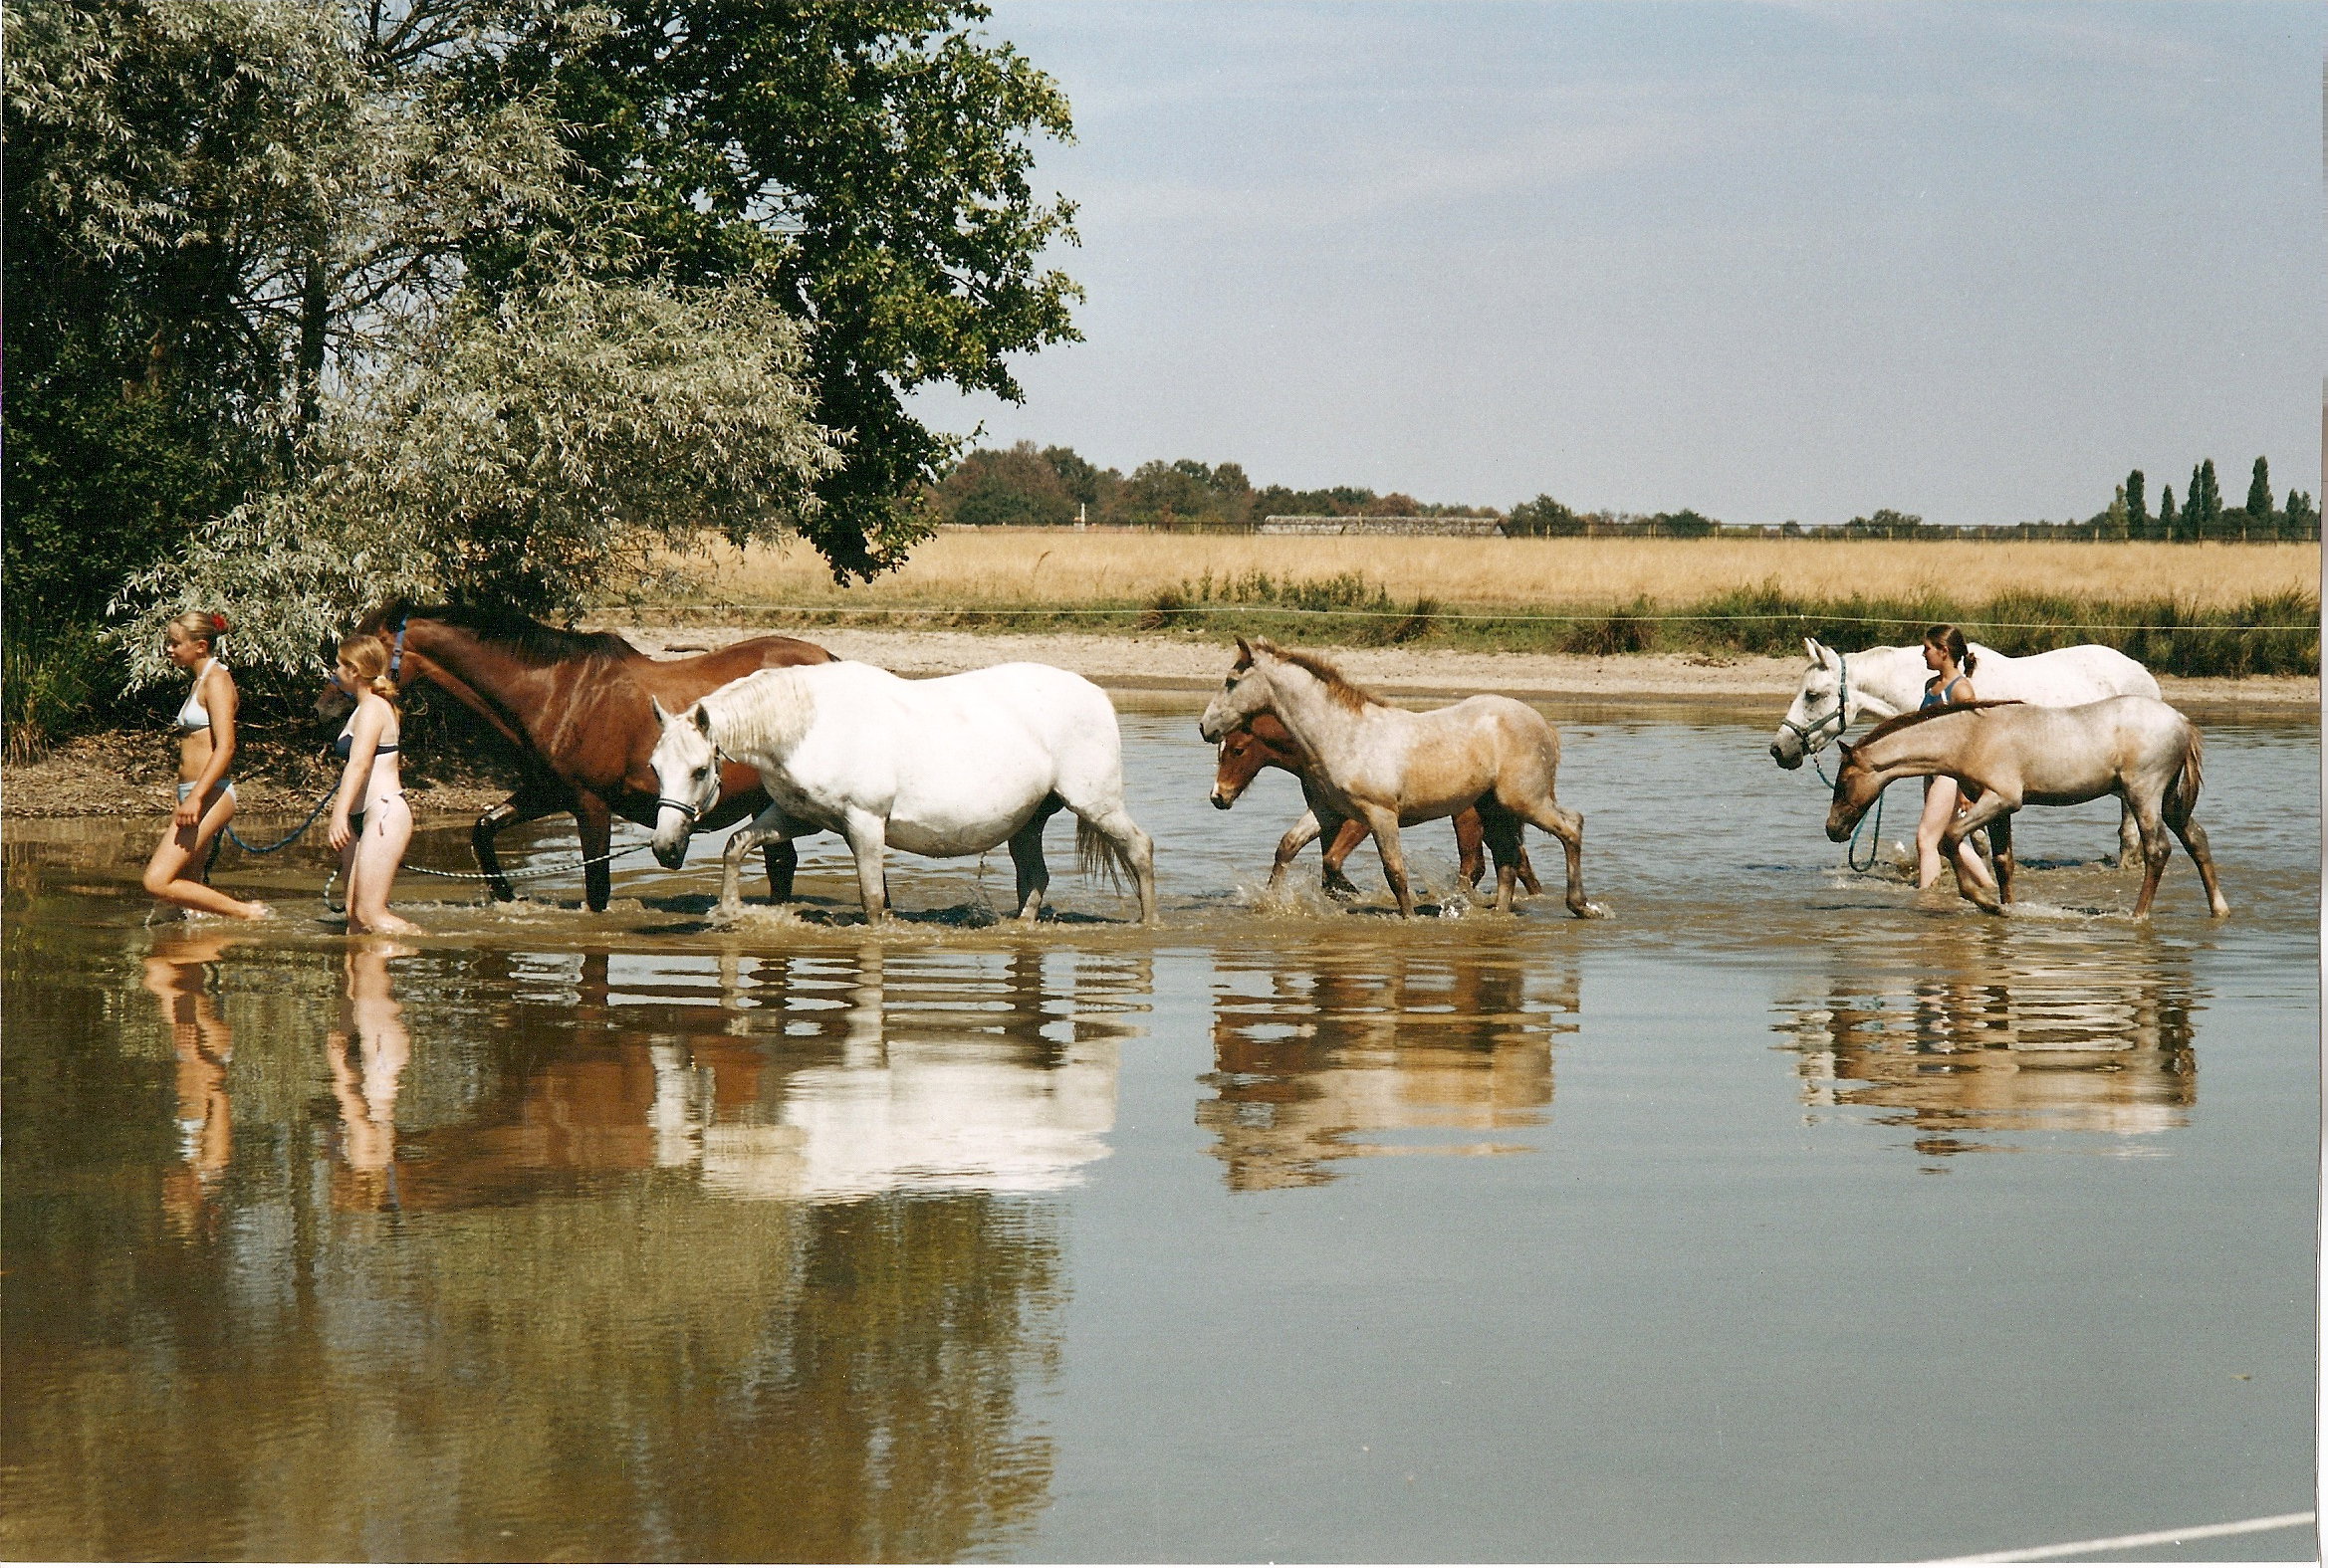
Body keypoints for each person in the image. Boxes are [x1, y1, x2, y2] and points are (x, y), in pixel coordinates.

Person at [142, 610, 271, 920]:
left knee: (156, 881)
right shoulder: (200, 681)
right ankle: (189, 957)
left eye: (175, 644)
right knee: (182, 893)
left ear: (200, 645)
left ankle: (247, 913)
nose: (169, 650)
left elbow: (226, 747)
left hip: (210, 794)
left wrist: (198, 797)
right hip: (192, 793)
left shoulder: (217, 681)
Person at [327, 635, 423, 935]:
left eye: (339, 665)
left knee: (371, 915)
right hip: (362, 818)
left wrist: (338, 815)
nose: (334, 671)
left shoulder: (372, 708)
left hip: (382, 813)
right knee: (355, 920)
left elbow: (359, 764)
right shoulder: (365, 707)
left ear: (354, 671)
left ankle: (429, 945)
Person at [1913, 623, 1999, 899]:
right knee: (1949, 839)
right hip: (1933, 771)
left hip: (1951, 775)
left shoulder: (1961, 691)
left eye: (1927, 649)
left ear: (1944, 651)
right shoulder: (1931, 686)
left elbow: (1972, 744)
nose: (1923, 654)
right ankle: (1989, 888)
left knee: (1926, 839)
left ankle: (1927, 900)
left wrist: (1965, 791)